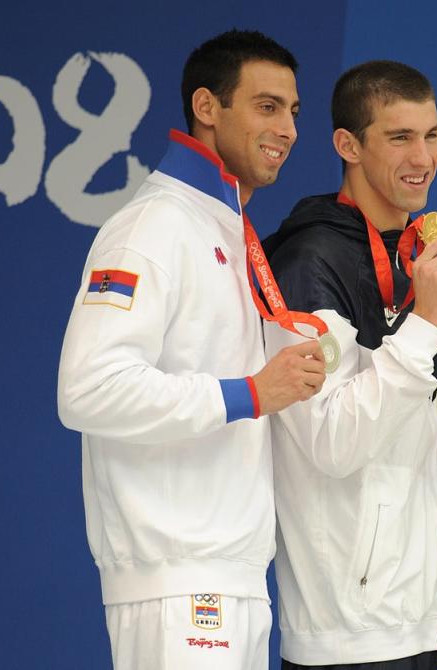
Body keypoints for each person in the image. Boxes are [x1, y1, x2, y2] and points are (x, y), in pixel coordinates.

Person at [57, 29, 325, 670]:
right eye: (266, 106)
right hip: (176, 584)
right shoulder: (154, 225)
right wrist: (253, 393)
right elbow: (88, 388)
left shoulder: (225, 225)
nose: (287, 127)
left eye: (293, 110)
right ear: (208, 108)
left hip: (233, 580)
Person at [262, 61, 437, 669]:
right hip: (348, 637)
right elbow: (331, 440)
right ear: (347, 145)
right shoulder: (305, 261)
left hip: (416, 623)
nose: (422, 157)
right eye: (399, 137)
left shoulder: (413, 257)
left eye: (431, 135)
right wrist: (425, 325)